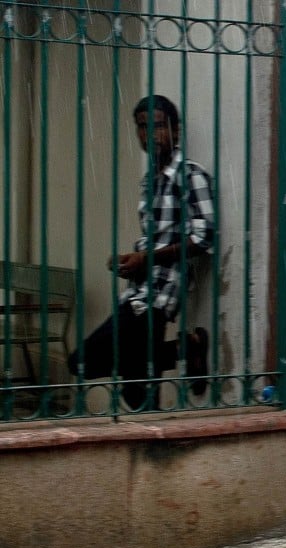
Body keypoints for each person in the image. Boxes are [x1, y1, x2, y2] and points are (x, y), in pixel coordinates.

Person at [68, 94, 213, 411]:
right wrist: (131, 261)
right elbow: (153, 238)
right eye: (142, 127)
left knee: (85, 364)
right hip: (136, 293)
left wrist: (147, 259)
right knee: (135, 389)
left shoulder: (191, 176)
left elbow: (204, 237)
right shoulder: (150, 182)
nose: (149, 134)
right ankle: (185, 349)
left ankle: (186, 350)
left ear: (176, 131)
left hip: (160, 297)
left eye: (158, 126)